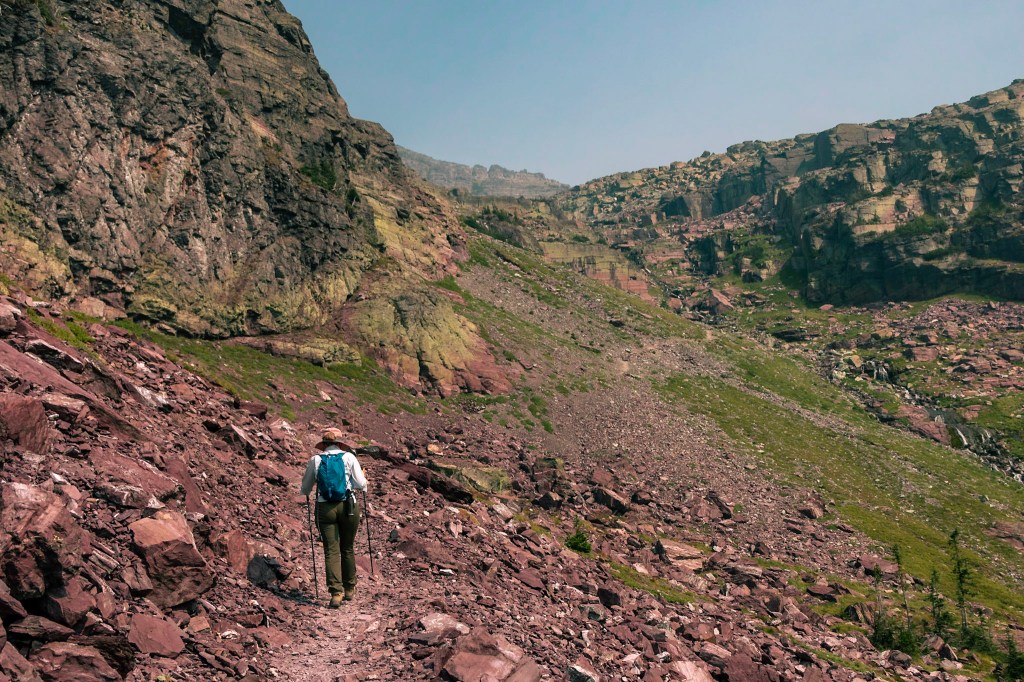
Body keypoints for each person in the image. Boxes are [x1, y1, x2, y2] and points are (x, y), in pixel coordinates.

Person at [300, 427, 368, 608]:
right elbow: (361, 484)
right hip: (348, 506)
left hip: (325, 507)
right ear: (339, 442)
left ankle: (335, 593)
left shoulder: (315, 460)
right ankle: (350, 588)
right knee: (347, 547)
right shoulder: (349, 458)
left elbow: (305, 488)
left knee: (331, 550)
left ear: (324, 444)